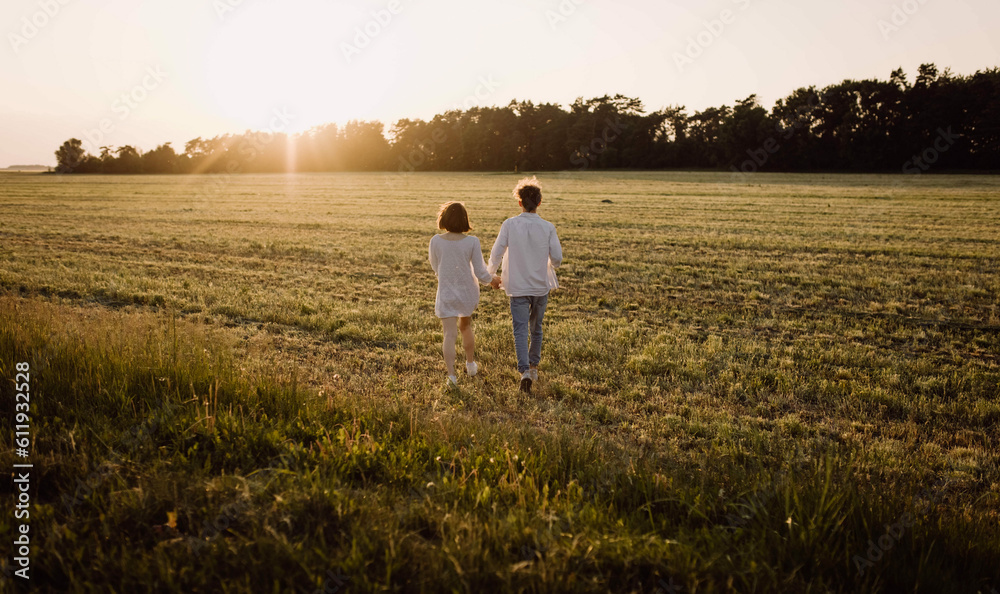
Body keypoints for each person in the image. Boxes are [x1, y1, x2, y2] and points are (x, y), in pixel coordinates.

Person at [487, 176, 562, 393]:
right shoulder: (548, 227)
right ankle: (534, 366)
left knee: (519, 329)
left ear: (520, 202)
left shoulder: (509, 224)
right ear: (539, 202)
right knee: (536, 328)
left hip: (516, 286)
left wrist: (490, 276)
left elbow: (496, 253)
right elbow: (557, 259)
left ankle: (524, 372)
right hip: (540, 287)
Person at [428, 201, 500, 388]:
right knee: (466, 327)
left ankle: (451, 376)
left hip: (445, 292)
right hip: (467, 292)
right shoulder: (472, 242)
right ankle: (470, 364)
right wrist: (492, 280)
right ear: (465, 220)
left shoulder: (435, 241)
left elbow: (435, 266)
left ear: (443, 219)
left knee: (449, 334)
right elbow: (480, 271)